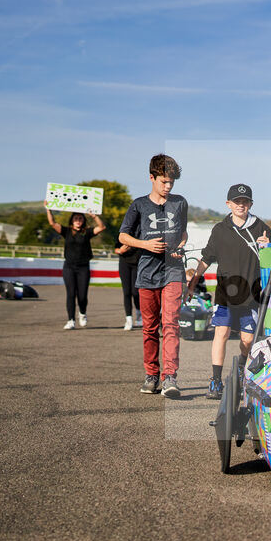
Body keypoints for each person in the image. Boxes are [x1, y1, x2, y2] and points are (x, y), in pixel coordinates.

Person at [186, 183, 271, 400]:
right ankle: (215, 380)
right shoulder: (219, 229)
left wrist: (269, 247)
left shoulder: (261, 227)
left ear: (251, 204)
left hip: (251, 295)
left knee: (247, 339)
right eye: (236, 202)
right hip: (225, 294)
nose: (240, 205)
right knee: (221, 333)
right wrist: (193, 282)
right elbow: (206, 259)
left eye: (244, 202)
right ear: (228, 204)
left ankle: (242, 373)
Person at [119, 153, 189, 397]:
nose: (168, 187)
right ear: (151, 177)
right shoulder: (139, 204)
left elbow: (183, 233)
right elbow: (123, 236)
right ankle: (151, 376)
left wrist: (180, 247)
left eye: (171, 183)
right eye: (163, 182)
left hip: (173, 270)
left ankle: (170, 377)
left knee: (171, 324)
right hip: (147, 272)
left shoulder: (180, 203)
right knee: (150, 327)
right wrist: (145, 245)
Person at [45, 202, 106, 330]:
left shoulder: (87, 232)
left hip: (83, 267)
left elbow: (101, 227)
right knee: (71, 294)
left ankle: (82, 314)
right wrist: (48, 209)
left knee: (82, 295)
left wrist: (94, 216)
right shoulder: (66, 231)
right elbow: (52, 223)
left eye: (80, 218)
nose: (78, 221)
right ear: (72, 220)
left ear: (83, 221)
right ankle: (71, 320)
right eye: (76, 218)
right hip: (69, 267)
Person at [114, 238, 141, 331]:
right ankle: (128, 319)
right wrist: (120, 250)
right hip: (124, 263)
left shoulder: (140, 232)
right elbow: (116, 248)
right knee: (126, 292)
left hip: (137, 264)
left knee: (135, 292)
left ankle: (139, 314)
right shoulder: (123, 233)